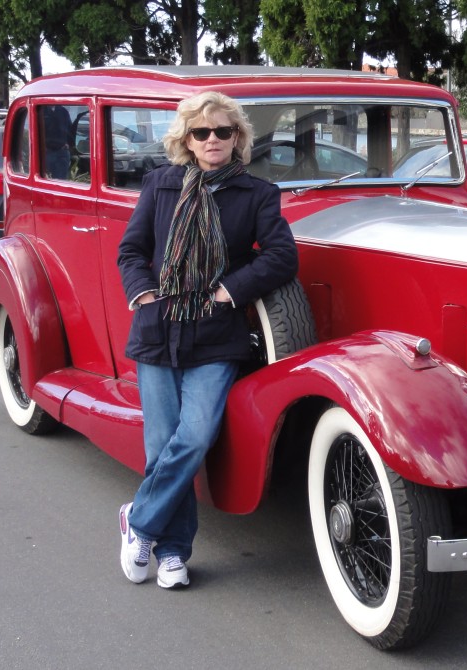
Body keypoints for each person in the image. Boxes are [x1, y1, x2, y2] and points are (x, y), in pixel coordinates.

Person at [116, 91, 298, 589]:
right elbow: (132, 249)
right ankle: (173, 554)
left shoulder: (256, 193)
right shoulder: (161, 185)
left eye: (223, 131)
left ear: (238, 138)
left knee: (194, 439)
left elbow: (283, 256)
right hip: (157, 330)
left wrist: (229, 290)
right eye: (202, 132)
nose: (213, 139)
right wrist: (142, 293)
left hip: (217, 335)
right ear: (186, 140)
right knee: (161, 449)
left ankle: (140, 520)